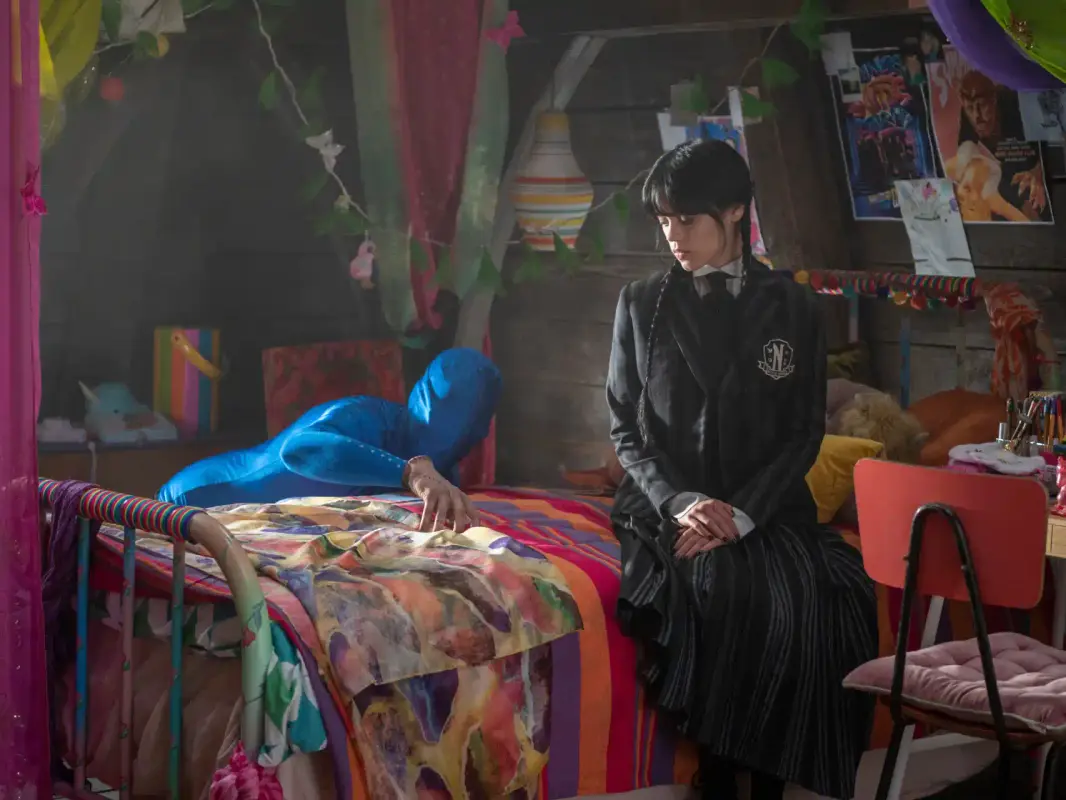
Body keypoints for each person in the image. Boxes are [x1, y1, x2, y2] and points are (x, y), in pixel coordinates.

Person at [606, 139, 877, 800]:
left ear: (733, 212)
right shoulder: (641, 304)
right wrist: (684, 504)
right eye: (663, 221)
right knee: (714, 585)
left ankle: (773, 782)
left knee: (812, 592)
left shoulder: (795, 307)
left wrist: (743, 514)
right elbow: (625, 431)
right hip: (668, 504)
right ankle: (721, 779)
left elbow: (803, 433)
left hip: (765, 505)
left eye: (686, 219)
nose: (673, 236)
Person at [157, 347, 501, 531]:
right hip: (192, 498)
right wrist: (409, 473)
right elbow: (299, 449)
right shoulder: (367, 419)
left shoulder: (443, 475)